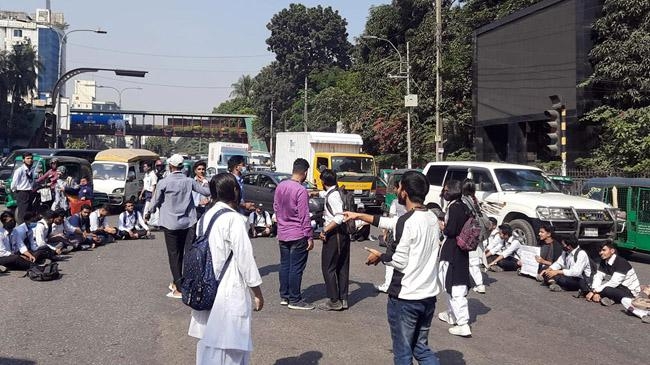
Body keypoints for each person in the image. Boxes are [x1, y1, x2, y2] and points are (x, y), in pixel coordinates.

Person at [346, 171, 441, 364]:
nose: (397, 190)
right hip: (428, 296)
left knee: (403, 353)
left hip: (406, 298)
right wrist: (359, 215)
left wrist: (380, 256)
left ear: (404, 192)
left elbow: (399, 261)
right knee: (421, 348)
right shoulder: (431, 217)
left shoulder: (408, 221)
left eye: (398, 187)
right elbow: (392, 223)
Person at [188, 173, 264, 365]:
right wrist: (257, 292)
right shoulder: (234, 219)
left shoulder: (206, 217)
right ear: (235, 191)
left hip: (204, 289)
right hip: (228, 288)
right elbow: (245, 259)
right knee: (230, 350)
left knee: (208, 346)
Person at [146, 154, 210, 299]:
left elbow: (155, 200)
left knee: (174, 255)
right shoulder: (188, 181)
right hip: (188, 222)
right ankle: (183, 281)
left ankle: (179, 286)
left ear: (170, 166)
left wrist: (148, 212)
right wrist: (204, 181)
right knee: (186, 252)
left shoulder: (164, 182)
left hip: (170, 223)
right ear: (182, 167)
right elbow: (207, 192)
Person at [273, 158, 315, 310]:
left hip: (283, 232)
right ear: (304, 173)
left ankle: (284, 296)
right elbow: (304, 215)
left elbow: (276, 207)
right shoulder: (301, 190)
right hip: (298, 233)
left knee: (285, 265)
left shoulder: (280, 186)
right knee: (296, 267)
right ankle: (295, 299)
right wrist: (309, 236)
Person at [437, 179, 472, 337]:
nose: (444, 193)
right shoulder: (464, 205)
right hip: (461, 252)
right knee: (451, 285)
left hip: (452, 251)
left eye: (446, 190)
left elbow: (451, 231)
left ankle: (463, 323)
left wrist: (443, 226)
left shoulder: (455, 208)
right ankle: (452, 314)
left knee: (454, 287)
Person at [316, 169, 350, 311]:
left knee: (328, 267)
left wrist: (325, 230)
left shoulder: (333, 196)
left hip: (334, 233)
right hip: (342, 234)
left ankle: (334, 300)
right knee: (342, 266)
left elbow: (339, 217)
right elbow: (324, 194)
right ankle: (343, 298)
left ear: (323, 181)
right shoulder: (336, 192)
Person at [375, 181, 407, 294]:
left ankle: (387, 284)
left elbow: (390, 218)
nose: (395, 190)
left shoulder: (395, 202)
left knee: (389, 258)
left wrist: (385, 232)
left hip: (395, 234)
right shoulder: (411, 204)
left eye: (396, 188)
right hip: (406, 235)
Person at [586, 242, 641, 306]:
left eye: (604, 250)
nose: (600, 253)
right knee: (589, 281)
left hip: (629, 292)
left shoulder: (621, 262)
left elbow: (614, 282)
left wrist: (595, 291)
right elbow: (598, 277)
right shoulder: (604, 261)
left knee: (607, 290)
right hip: (617, 287)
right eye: (600, 251)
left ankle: (608, 298)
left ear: (612, 251)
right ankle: (609, 298)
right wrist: (594, 290)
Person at [461, 179, 488, 294]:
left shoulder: (464, 200)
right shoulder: (475, 199)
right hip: (478, 233)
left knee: (472, 262)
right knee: (474, 260)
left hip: (470, 234)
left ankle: (479, 284)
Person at [10, 152, 36, 225]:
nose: (30, 160)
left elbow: (32, 182)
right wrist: (17, 193)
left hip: (29, 192)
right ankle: (21, 229)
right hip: (22, 193)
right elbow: (13, 184)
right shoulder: (19, 170)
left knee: (29, 213)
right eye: (27, 158)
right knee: (22, 213)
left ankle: (28, 229)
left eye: (31, 158)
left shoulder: (31, 170)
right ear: (23, 160)